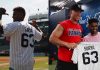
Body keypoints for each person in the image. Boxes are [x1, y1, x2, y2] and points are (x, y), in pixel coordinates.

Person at [49, 4, 84, 70]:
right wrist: (67, 44)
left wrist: (81, 41)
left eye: (80, 12)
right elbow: (52, 39)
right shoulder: (63, 24)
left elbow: (76, 40)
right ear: (71, 12)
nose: (79, 13)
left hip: (76, 60)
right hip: (64, 62)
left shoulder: (79, 27)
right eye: (76, 11)